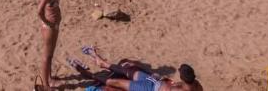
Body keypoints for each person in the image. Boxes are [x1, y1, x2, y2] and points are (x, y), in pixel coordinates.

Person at [70, 50, 203, 91]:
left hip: (147, 88)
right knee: (128, 71)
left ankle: (89, 74)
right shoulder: (197, 85)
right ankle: (103, 64)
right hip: (154, 81)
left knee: (116, 82)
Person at [37, 0, 63, 90]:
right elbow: (39, 10)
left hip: (53, 25)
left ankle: (50, 78)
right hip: (50, 27)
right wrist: (47, 22)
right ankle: (45, 85)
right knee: (46, 56)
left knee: (50, 54)